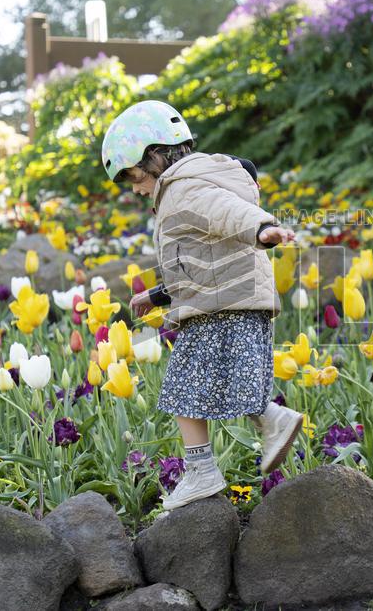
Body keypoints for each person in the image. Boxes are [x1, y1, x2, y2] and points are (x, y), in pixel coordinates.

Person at [101, 100, 304, 510]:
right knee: (209, 384)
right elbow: (196, 260)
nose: (136, 189)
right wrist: (157, 295)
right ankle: (257, 429)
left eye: (134, 176)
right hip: (228, 300)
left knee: (183, 388)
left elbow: (229, 213)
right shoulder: (189, 186)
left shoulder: (185, 188)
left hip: (223, 306)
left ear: (156, 155)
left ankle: (210, 465)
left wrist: (263, 228)